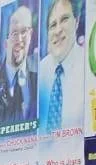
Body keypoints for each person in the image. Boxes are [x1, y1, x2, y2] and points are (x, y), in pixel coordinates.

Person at [38, 0, 84, 134]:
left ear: (77, 21)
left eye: (64, 19)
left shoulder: (89, 68)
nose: (58, 30)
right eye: (52, 25)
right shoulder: (40, 72)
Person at [0, 5, 37, 130]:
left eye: (24, 32)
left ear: (30, 35)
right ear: (5, 43)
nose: (19, 39)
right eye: (14, 33)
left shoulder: (41, 75)